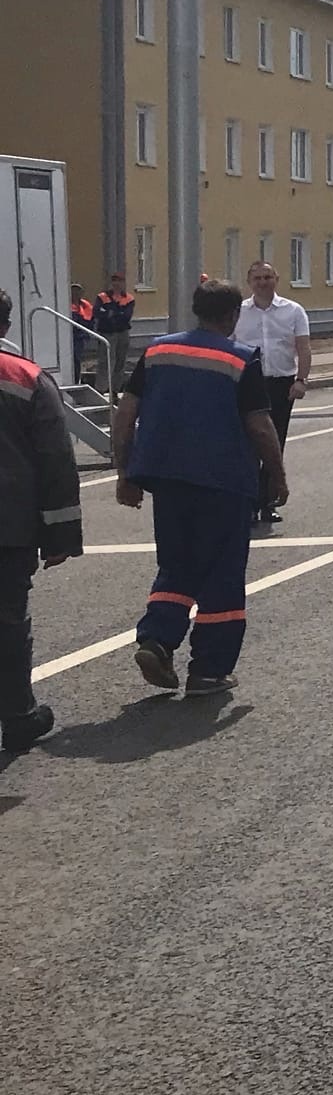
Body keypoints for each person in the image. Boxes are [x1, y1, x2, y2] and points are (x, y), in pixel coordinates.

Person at [110, 278, 286, 698]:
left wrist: (125, 473)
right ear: (233, 315)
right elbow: (260, 426)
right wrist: (276, 475)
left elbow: (124, 414)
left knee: (178, 565)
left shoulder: (157, 351)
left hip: (166, 481)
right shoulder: (241, 359)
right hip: (223, 482)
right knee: (223, 575)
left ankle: (157, 638)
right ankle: (208, 670)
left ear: (195, 308)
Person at [0, 284, 85, 752]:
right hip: (8, 527)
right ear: (7, 326)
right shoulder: (28, 377)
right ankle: (17, 716)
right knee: (7, 621)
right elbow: (55, 460)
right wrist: (61, 535)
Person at [236, 260, 311, 529]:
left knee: (274, 443)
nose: (263, 282)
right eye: (257, 278)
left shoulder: (293, 311)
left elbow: (303, 348)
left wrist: (301, 380)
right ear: (249, 282)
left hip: (281, 384)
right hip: (247, 384)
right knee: (247, 445)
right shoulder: (239, 311)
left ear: (276, 279)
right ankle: (247, 504)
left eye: (268, 277)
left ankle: (267, 504)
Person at [94, 272, 137, 397]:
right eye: (115, 281)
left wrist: (110, 313)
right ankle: (101, 389)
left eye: (120, 281)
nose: (117, 284)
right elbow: (97, 312)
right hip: (106, 333)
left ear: (123, 283)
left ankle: (115, 390)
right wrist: (115, 313)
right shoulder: (102, 297)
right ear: (111, 283)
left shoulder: (129, 298)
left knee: (120, 362)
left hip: (122, 333)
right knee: (105, 361)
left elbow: (127, 316)